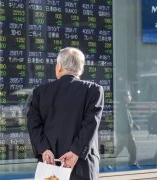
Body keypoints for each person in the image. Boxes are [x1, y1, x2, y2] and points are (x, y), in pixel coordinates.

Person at [27, 47, 104, 180]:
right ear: (81, 69)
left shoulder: (40, 92)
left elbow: (33, 124)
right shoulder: (94, 90)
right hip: (82, 166)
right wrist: (76, 152)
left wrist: (44, 149)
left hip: (51, 166)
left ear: (59, 67)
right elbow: (91, 124)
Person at [114, 90, 139, 167]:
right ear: (124, 97)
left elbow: (129, 119)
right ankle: (133, 162)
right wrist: (129, 131)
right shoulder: (123, 107)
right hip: (125, 132)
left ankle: (108, 161)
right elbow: (125, 120)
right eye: (128, 95)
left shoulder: (124, 106)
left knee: (121, 148)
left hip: (124, 131)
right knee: (132, 148)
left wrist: (134, 125)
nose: (130, 97)